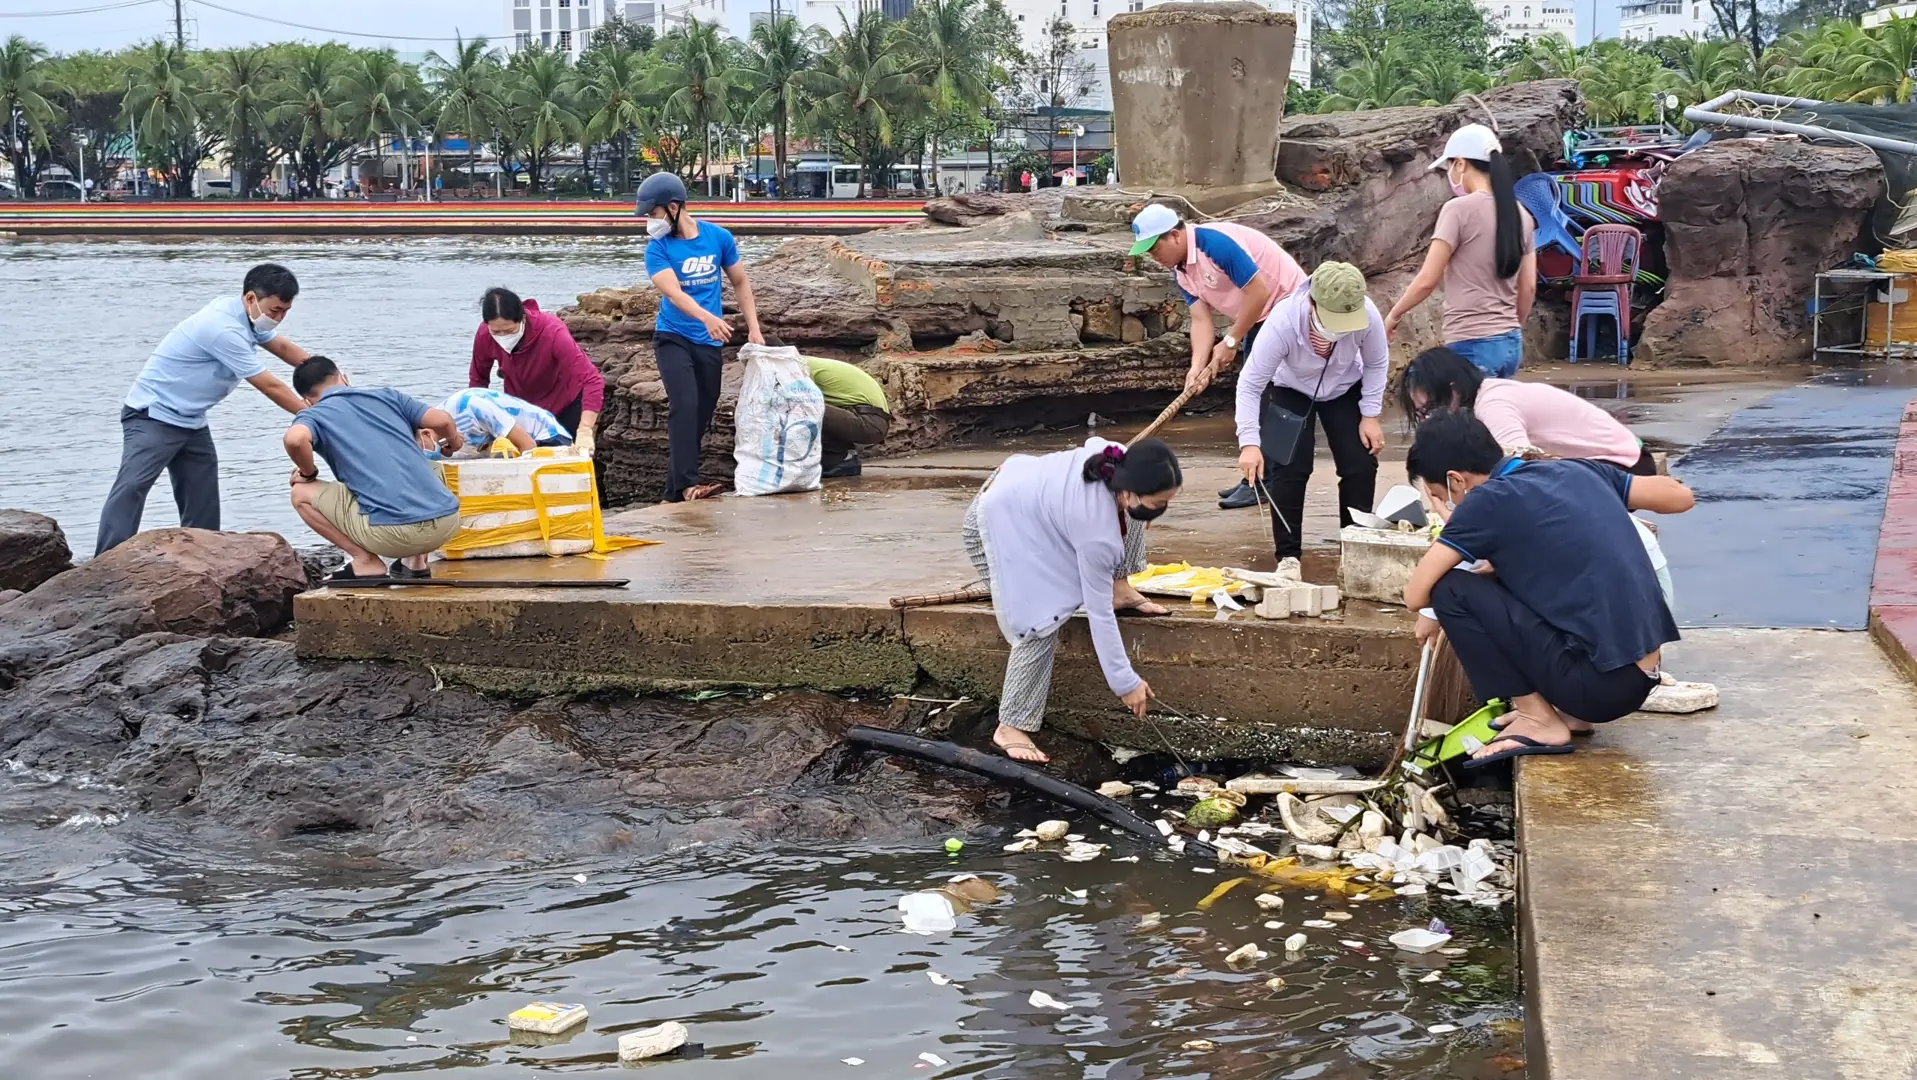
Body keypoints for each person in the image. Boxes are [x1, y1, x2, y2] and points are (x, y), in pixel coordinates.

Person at [1402, 409, 1695, 766]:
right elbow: (1681, 498)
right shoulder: (1576, 470)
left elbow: (1416, 595)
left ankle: (1537, 718)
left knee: (1451, 589)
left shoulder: (1484, 502)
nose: (1447, 503)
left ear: (1455, 480)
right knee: (1504, 573)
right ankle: (1569, 714)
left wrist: (1454, 523)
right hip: (1639, 677)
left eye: (1440, 495)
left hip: (1598, 689)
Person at [962, 438, 1183, 763]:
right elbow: (1099, 614)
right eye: (1156, 504)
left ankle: (1119, 588)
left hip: (1023, 494)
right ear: (1129, 491)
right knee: (1040, 617)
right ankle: (1009, 726)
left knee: (1130, 520)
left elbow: (1096, 445)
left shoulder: (1114, 456)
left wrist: (1146, 508)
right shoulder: (1097, 534)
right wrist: (1125, 682)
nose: (1160, 511)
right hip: (994, 522)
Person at [95, 262, 312, 556]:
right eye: (275, 311)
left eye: (285, 311)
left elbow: (286, 350)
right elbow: (269, 386)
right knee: (132, 488)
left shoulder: (245, 316)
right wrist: (312, 415)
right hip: (153, 415)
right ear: (251, 298)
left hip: (191, 419)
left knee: (202, 496)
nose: (280, 318)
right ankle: (106, 561)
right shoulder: (222, 328)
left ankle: (206, 561)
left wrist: (328, 379)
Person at [1129, 202, 1309, 510]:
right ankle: (1260, 480)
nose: (1153, 257)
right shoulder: (1181, 270)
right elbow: (1200, 319)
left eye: (1154, 247)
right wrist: (1196, 368)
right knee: (1260, 391)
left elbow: (1259, 292)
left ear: (1174, 236)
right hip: (1259, 314)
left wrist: (1232, 339)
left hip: (1288, 304)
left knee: (1264, 393)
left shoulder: (1215, 244)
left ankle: (1262, 482)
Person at [1234, 261, 1388, 574]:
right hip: (1290, 388)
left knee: (1360, 463)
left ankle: (1355, 548)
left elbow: (1376, 363)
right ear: (1313, 302)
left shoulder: (1368, 315)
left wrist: (1370, 414)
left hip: (1344, 386)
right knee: (1289, 467)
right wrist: (1249, 442)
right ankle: (1288, 558)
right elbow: (1250, 384)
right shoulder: (1283, 321)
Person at [636, 171, 766, 502]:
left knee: (703, 412)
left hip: (709, 343)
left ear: (674, 207)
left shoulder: (718, 238)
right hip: (673, 337)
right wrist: (707, 316)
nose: (651, 222)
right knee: (685, 404)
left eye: (653, 214)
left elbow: (740, 282)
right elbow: (675, 293)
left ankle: (673, 493)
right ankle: (689, 485)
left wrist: (753, 327)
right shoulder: (657, 250)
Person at [285, 356, 463, 582]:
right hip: (448, 523)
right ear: (343, 378)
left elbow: (295, 440)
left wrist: (308, 473)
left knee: (301, 493)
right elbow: (443, 421)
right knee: (429, 466)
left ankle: (365, 562)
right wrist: (454, 441)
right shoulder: (389, 396)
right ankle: (416, 562)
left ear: (307, 400)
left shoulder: (314, 414)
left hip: (392, 538)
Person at [1383, 124, 1538, 378]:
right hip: (1510, 343)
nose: (1450, 174)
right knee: (1493, 415)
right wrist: (1510, 328)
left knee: (1464, 418)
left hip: (1471, 343)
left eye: (1450, 166)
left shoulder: (1458, 210)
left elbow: (1426, 281)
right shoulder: (1521, 214)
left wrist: (1394, 315)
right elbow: (1529, 286)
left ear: (1462, 164)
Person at [1397, 346, 1655, 475]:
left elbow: (1518, 470)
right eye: (1423, 414)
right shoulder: (1488, 393)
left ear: (1453, 389)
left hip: (1624, 466)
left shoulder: (1493, 406)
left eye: (1431, 407)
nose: (1431, 418)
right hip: (1616, 460)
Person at [469, 286, 606, 457]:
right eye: (496, 331)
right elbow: (478, 382)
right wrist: (478, 423)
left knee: (567, 462)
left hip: (564, 404)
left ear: (522, 318)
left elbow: (592, 380)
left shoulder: (552, 331)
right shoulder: (484, 335)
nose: (502, 336)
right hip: (521, 408)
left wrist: (585, 429)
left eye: (509, 330)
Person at [807, 354, 891, 479]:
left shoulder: (796, 366)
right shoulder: (807, 362)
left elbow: (798, 400)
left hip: (869, 422)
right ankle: (840, 458)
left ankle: (840, 458)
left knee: (801, 408)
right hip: (871, 418)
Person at [437, 386, 573, 453]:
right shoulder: (435, 421)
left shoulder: (472, 407)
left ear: (424, 433)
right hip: (515, 443)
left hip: (548, 437)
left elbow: (528, 444)